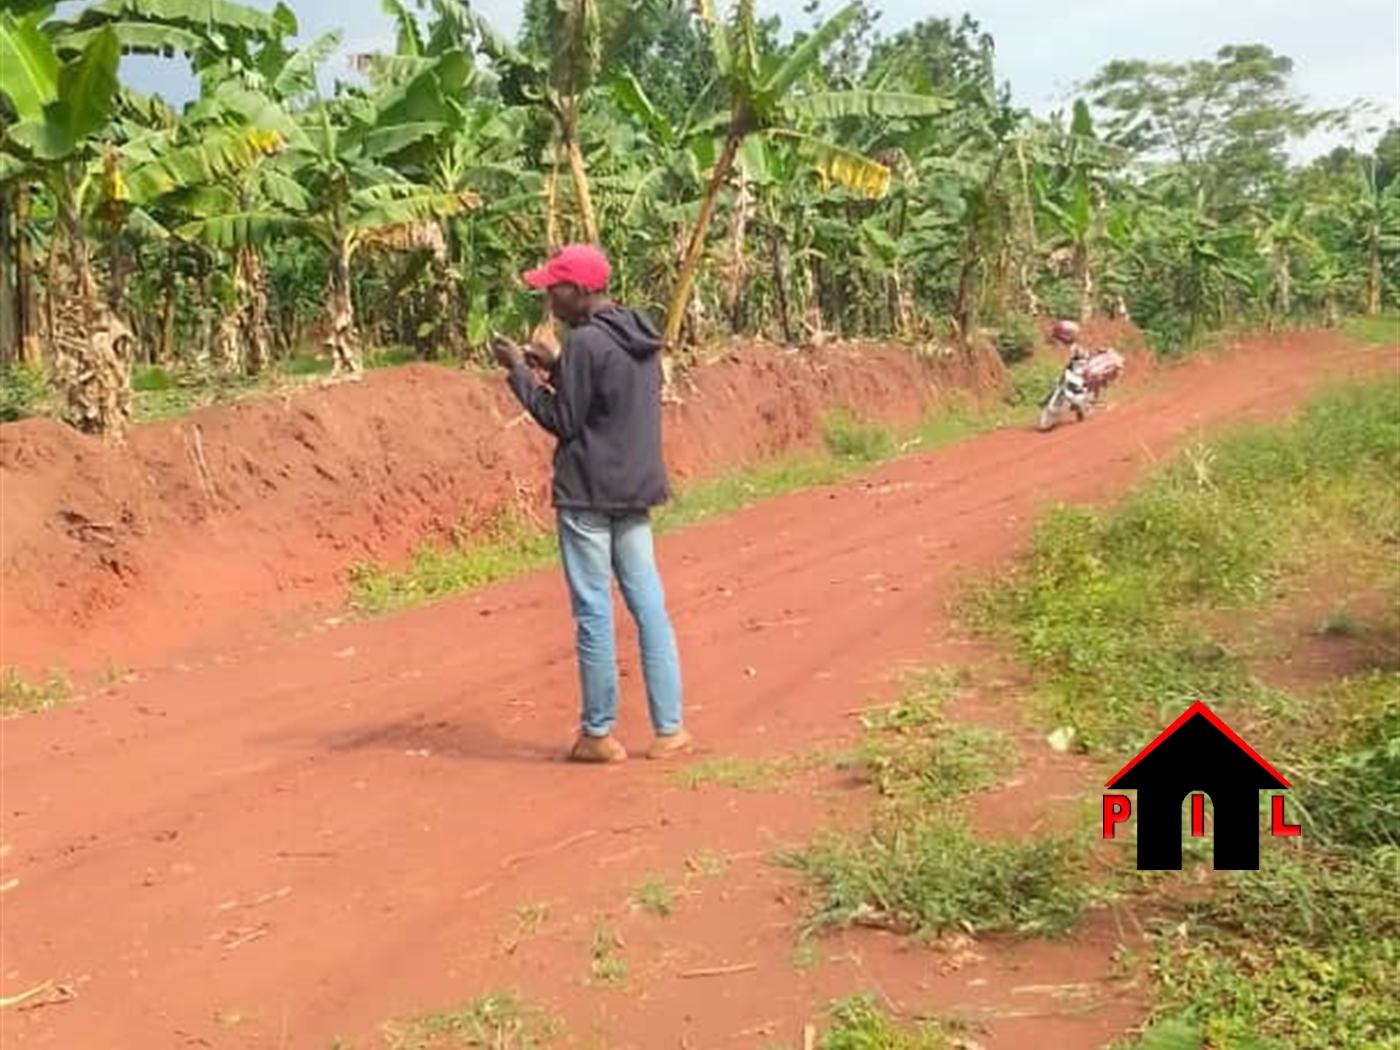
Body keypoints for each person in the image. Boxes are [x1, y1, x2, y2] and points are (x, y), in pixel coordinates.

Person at [491, 244, 691, 764]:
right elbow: (605, 397)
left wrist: (518, 372)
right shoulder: (638, 334)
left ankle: (599, 733)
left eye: (553, 290)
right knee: (649, 606)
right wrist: (555, 366)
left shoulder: (584, 342)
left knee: (594, 611)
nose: (547, 299)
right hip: (636, 490)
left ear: (578, 292)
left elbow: (563, 420)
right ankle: (670, 729)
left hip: (588, 495)